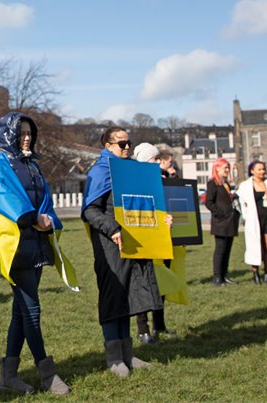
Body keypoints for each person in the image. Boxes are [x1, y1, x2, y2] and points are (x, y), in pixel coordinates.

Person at [0, 112, 71, 395]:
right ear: (8, 135)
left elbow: (45, 198)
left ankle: (8, 375)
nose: (27, 137)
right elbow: (6, 200)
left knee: (21, 313)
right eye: (21, 133)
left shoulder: (33, 165)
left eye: (29, 132)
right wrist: (34, 218)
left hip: (37, 244)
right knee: (32, 310)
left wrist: (49, 221)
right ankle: (47, 374)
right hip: (16, 247)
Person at [81, 127, 161, 378]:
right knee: (112, 296)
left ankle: (128, 353)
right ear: (107, 146)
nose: (127, 147)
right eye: (121, 144)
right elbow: (90, 210)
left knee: (128, 294)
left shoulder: (131, 169)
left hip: (133, 242)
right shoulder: (101, 171)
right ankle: (114, 357)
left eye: (129, 143)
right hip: (110, 245)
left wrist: (161, 220)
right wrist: (113, 229)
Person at [130, 143, 178, 345]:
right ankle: (143, 329)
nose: (158, 162)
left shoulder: (160, 180)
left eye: (159, 159)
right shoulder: (135, 181)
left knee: (162, 283)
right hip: (145, 241)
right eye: (154, 159)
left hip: (161, 238)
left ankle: (159, 324)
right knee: (144, 284)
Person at [237, 161, 267, 284]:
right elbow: (242, 204)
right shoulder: (246, 186)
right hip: (254, 220)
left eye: (263, 169)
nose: (262, 172)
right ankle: (255, 273)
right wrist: (247, 217)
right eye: (259, 169)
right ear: (252, 171)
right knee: (255, 246)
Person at [205, 158, 240, 286]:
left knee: (227, 249)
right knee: (220, 249)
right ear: (217, 168)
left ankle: (224, 275)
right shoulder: (213, 183)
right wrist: (220, 214)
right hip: (221, 222)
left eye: (228, 168)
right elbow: (209, 202)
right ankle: (217, 277)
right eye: (225, 167)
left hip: (230, 221)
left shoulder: (226, 184)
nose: (227, 170)